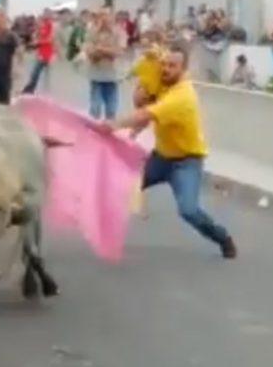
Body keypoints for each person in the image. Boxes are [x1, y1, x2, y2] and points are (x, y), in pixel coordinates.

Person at [97, 44, 237, 260]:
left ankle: (223, 238)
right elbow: (144, 97)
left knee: (188, 211)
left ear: (183, 69)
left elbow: (147, 115)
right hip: (160, 158)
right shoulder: (162, 81)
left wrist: (115, 124)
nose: (165, 69)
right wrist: (133, 128)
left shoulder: (183, 96)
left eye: (172, 66)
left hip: (186, 162)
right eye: (164, 64)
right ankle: (103, 229)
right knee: (123, 183)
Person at [85, 7, 125, 119]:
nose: (103, 18)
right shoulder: (92, 32)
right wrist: (106, 51)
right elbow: (89, 52)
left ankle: (108, 131)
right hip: (96, 75)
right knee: (95, 109)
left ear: (112, 17)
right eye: (101, 15)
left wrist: (100, 49)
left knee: (111, 110)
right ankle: (92, 133)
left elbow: (119, 52)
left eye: (106, 15)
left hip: (112, 76)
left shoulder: (119, 32)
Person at [22, 8, 55, 94]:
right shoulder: (42, 25)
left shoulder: (51, 25)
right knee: (36, 72)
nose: (45, 15)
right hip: (40, 52)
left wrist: (38, 42)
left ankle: (31, 88)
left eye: (47, 14)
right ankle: (31, 89)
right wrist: (34, 40)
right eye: (44, 13)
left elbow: (50, 40)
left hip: (47, 53)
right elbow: (38, 36)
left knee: (36, 71)